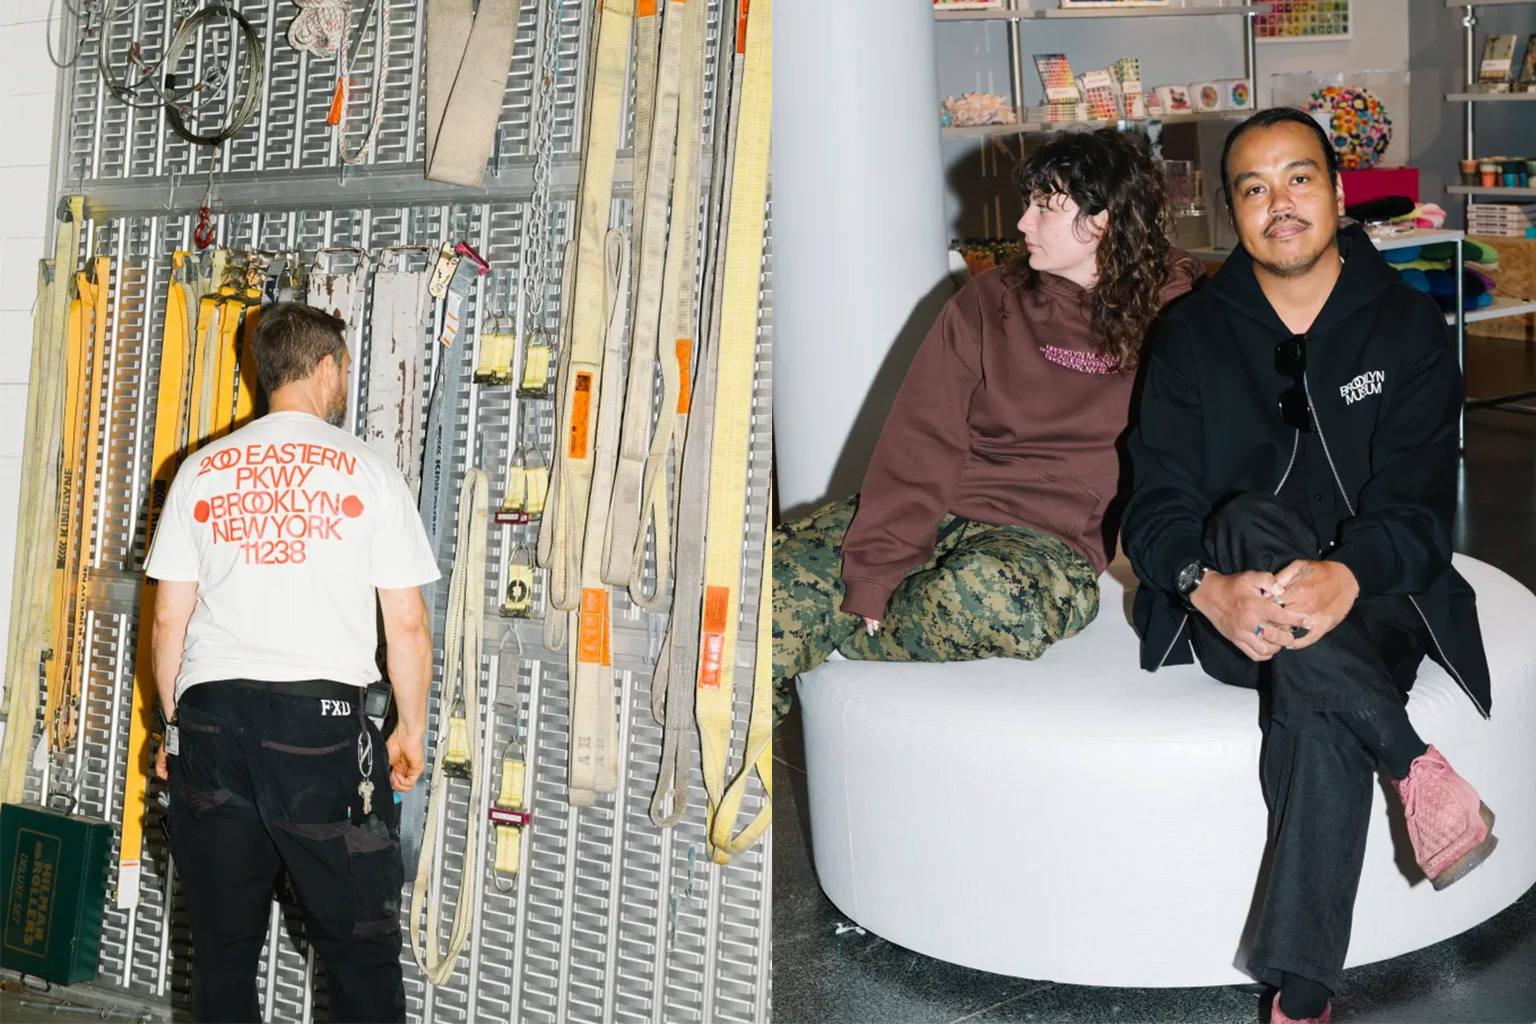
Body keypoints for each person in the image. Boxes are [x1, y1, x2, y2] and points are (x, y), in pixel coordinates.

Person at [1122, 108, 1496, 1024]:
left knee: (1318, 696)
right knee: (1251, 520)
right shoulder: (1191, 335)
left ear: (1337, 190)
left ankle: (1303, 995)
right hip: (1233, 609)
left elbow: (1421, 506)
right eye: (1253, 188)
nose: (1278, 203)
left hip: (1378, 603)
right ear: (1232, 211)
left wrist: (1350, 573)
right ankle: (1411, 761)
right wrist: (1203, 587)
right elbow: (1154, 504)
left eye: (1297, 178)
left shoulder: (1407, 326)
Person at [774, 128, 1203, 719]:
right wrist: (874, 569)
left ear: (1103, 219)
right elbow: (923, 436)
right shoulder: (990, 298)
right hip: (944, 504)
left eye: (1045, 207)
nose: (1023, 223)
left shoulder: (1178, 316)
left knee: (992, 601)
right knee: (764, 603)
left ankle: (834, 631)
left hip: (1047, 540)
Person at [145, 303, 440, 1023]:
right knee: (358, 952)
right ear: (326, 368)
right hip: (319, 729)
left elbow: (168, 620)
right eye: (344, 369)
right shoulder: (368, 472)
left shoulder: (198, 471)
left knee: (221, 950)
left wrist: (175, 730)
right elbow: (406, 623)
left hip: (212, 722)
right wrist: (409, 729)